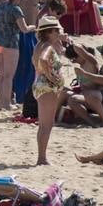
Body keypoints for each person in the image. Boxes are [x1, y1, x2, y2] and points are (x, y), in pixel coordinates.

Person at [31, 17, 70, 167]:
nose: (59, 32)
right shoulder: (47, 46)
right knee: (47, 125)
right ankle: (42, 158)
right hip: (47, 87)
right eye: (56, 31)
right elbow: (43, 60)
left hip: (41, 85)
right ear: (50, 32)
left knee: (43, 125)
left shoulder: (40, 44)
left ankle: (42, 157)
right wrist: (51, 76)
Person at [63, 38, 103, 125]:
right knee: (72, 100)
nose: (102, 55)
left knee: (89, 94)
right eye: (102, 53)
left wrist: (85, 74)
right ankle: (91, 121)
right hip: (100, 97)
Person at [0, 0, 28, 110]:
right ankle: (6, 104)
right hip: (10, 44)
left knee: (0, 75)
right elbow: (24, 29)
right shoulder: (16, 9)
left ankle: (1, 102)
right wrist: (34, 27)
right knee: (8, 76)